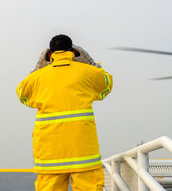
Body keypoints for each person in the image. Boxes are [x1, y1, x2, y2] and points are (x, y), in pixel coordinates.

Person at [16, 34, 113, 191]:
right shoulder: (87, 72)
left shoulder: (38, 78)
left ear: (50, 54)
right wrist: (90, 62)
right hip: (84, 153)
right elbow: (106, 84)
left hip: (49, 156)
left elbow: (22, 93)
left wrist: (38, 68)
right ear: (73, 51)